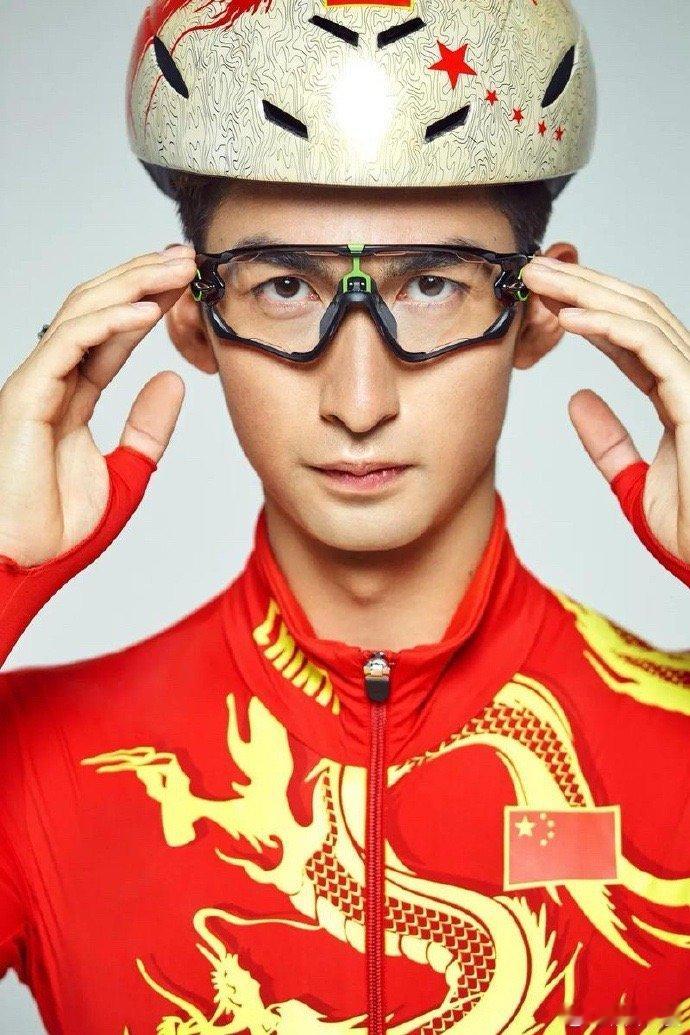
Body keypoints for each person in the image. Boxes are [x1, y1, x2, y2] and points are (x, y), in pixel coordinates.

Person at [0, 0, 688, 1032]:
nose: (358, 401)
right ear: (193, 318)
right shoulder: (38, 766)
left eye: (433, 284)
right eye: (283, 286)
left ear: (541, 310)